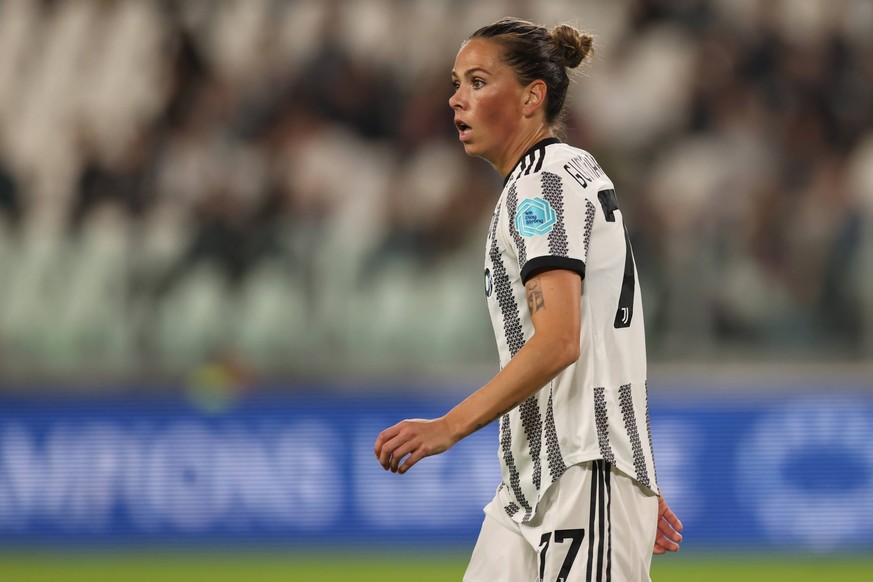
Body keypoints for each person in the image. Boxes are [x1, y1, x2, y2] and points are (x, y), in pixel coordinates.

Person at [374, 17, 683, 581]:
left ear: (531, 97)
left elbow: (560, 340)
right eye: (456, 82)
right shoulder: (553, 176)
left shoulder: (544, 183)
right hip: (540, 482)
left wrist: (449, 425)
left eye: (477, 82)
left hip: (579, 470)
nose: (455, 100)